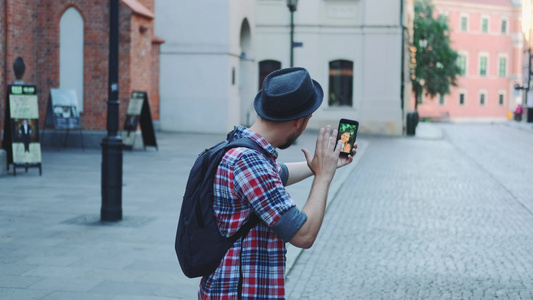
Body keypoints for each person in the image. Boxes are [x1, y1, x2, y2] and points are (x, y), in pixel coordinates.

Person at [199, 67, 357, 299]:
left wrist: (320, 165)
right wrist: (323, 177)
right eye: (308, 119)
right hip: (240, 293)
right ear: (298, 121)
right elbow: (303, 235)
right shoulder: (249, 162)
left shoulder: (240, 147)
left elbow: (278, 173)